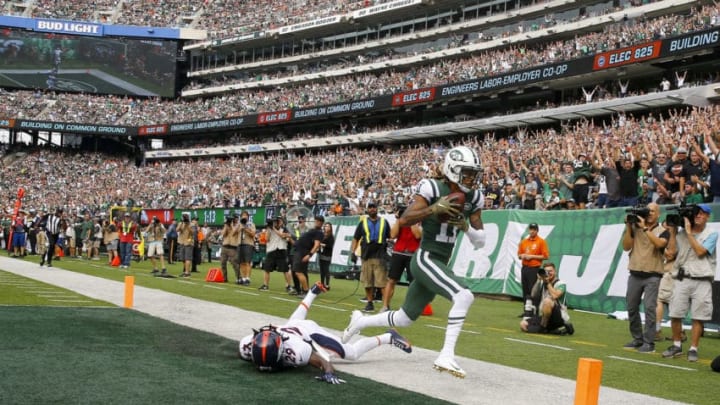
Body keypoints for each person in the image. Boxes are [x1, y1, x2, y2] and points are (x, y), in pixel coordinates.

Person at [343, 146, 485, 378]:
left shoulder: (474, 197)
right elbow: (406, 219)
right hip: (425, 258)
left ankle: (360, 321)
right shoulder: (431, 187)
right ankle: (446, 355)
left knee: (404, 318)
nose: (472, 178)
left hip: (440, 261)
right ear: (452, 169)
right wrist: (432, 209)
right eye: (467, 172)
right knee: (464, 295)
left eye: (474, 173)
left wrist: (466, 227)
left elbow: (481, 241)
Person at [238, 281, 412, 383]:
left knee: (350, 353)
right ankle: (312, 292)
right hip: (291, 328)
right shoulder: (246, 346)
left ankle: (388, 336)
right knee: (294, 322)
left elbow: (321, 358)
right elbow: (292, 323)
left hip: (309, 333)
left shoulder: (297, 352)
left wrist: (328, 371)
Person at [662, 204, 717, 362]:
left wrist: (688, 232)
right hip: (682, 277)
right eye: (696, 213)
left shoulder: (712, 233)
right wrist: (672, 233)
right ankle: (677, 345)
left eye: (702, 214)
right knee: (675, 313)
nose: (698, 216)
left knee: (698, 317)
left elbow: (700, 252)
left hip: (702, 279)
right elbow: (671, 253)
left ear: (708, 216)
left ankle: (693, 348)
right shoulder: (681, 233)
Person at [621, 202, 668, 353]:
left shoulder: (663, 230)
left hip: (652, 275)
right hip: (634, 273)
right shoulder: (635, 227)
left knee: (649, 308)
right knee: (631, 307)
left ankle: (649, 342)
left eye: (653, 211)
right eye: (648, 210)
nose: (649, 213)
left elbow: (660, 244)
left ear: (659, 214)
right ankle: (637, 338)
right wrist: (629, 227)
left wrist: (645, 228)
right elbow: (626, 247)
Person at [350, 201, 391, 312]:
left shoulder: (384, 222)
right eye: (370, 207)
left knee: (382, 282)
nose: (372, 209)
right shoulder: (362, 223)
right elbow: (355, 238)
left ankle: (386, 305)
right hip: (366, 256)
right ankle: (369, 303)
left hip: (380, 256)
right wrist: (352, 252)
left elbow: (390, 237)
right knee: (367, 282)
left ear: (377, 209)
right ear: (367, 210)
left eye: (374, 207)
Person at [381, 204, 421, 312]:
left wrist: (410, 220)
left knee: (412, 282)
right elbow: (393, 235)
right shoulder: (399, 223)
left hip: (412, 254)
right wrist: (399, 219)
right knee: (391, 280)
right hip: (398, 253)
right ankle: (385, 305)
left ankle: (410, 307)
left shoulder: (417, 221)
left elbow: (417, 235)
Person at [519, 262, 573, 335]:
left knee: (547, 301)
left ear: (555, 272)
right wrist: (538, 280)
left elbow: (555, 296)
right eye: (546, 271)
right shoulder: (542, 282)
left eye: (550, 271)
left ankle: (543, 328)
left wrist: (547, 283)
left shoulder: (560, 283)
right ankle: (555, 330)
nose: (548, 273)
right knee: (523, 324)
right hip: (545, 316)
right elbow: (533, 295)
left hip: (558, 316)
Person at [518, 222, 550, 317]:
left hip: (534, 268)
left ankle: (534, 310)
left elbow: (546, 256)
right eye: (531, 229)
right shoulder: (524, 241)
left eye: (534, 229)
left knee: (534, 290)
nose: (532, 231)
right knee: (525, 289)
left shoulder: (541, 241)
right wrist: (522, 256)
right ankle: (526, 310)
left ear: (537, 230)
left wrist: (531, 256)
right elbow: (519, 255)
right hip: (525, 268)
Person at [291, 215, 325, 297]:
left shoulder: (319, 232)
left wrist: (309, 255)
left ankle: (306, 292)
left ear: (320, 222)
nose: (315, 222)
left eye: (317, 220)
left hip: (303, 252)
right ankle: (304, 291)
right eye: (315, 220)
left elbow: (316, 245)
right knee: (299, 272)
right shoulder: (313, 230)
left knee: (298, 272)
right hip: (300, 251)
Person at [259, 216, 294, 291]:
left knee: (285, 269)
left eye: (279, 221)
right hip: (271, 250)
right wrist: (269, 229)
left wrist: (274, 229)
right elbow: (267, 239)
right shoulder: (269, 229)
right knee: (267, 268)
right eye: (276, 221)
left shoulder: (284, 229)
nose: (277, 222)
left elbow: (283, 236)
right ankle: (265, 285)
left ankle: (288, 286)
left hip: (281, 250)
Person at [220, 214, 241, 283]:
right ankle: (224, 278)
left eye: (235, 218)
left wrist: (232, 225)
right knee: (223, 263)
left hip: (233, 247)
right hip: (225, 246)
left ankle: (239, 278)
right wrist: (226, 226)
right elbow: (222, 234)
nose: (233, 220)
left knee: (234, 263)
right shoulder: (226, 225)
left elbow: (234, 232)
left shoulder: (238, 225)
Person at [237, 211, 256, 285]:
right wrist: (239, 227)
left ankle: (247, 278)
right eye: (243, 216)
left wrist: (245, 229)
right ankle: (243, 278)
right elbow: (234, 233)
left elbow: (253, 234)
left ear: (248, 217)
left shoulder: (251, 224)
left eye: (246, 216)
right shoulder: (239, 224)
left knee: (247, 262)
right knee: (241, 262)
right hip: (240, 243)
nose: (244, 217)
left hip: (248, 244)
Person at [177, 213, 194, 277]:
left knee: (188, 258)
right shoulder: (180, 223)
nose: (185, 219)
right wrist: (181, 223)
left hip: (188, 243)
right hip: (182, 242)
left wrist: (187, 226)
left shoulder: (192, 224)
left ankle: (187, 272)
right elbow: (177, 230)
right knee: (183, 258)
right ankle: (186, 271)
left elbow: (192, 233)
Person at [318, 222, 335, 289]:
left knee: (326, 270)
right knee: (322, 270)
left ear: (330, 228)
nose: (326, 227)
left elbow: (330, 246)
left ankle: (327, 284)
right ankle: (322, 284)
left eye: (328, 226)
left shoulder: (331, 237)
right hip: (321, 254)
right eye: (325, 226)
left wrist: (321, 244)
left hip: (327, 255)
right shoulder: (322, 235)